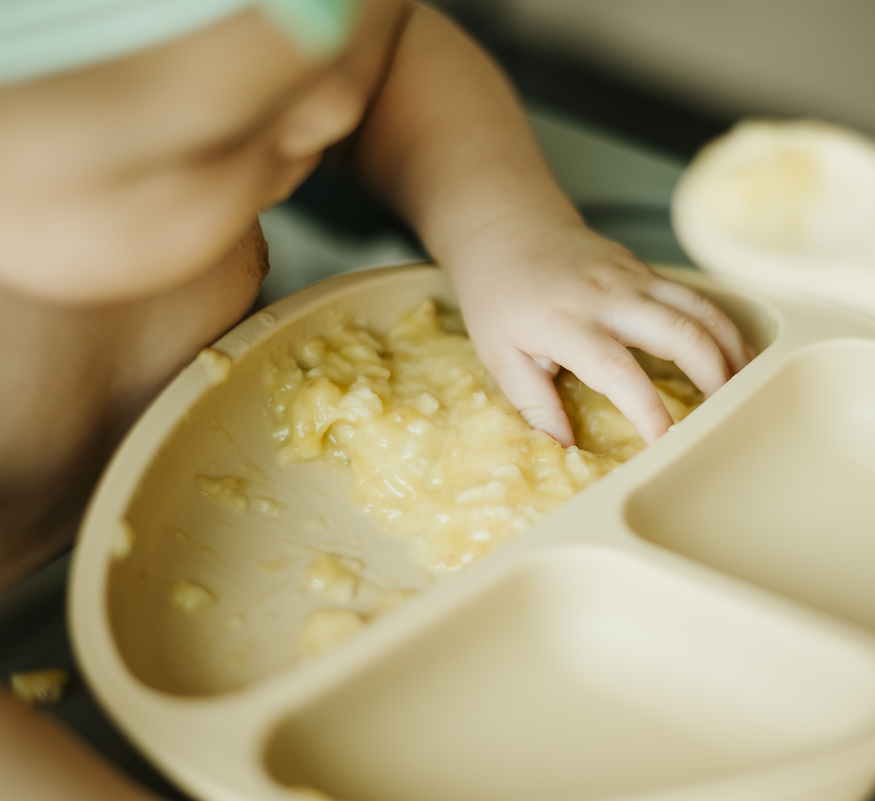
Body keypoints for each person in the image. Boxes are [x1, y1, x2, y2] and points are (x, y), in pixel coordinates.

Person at [0, 1, 749, 797]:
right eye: (220, 142)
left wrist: (507, 227)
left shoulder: (254, 79)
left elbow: (391, 48)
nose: (332, 109)